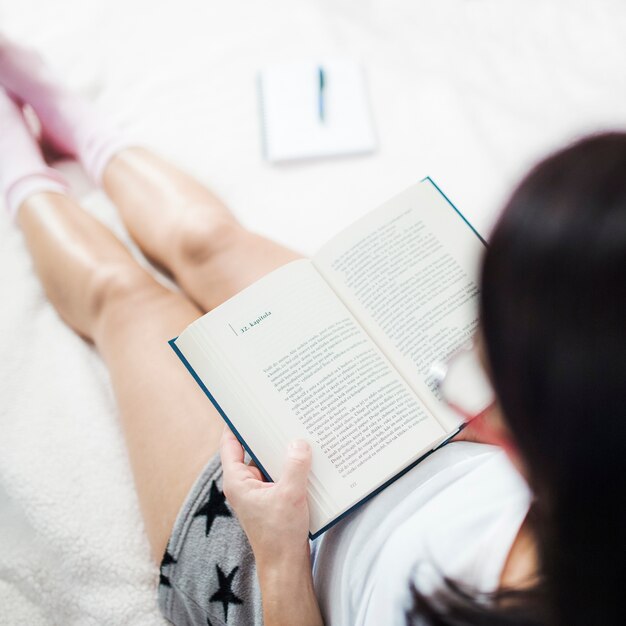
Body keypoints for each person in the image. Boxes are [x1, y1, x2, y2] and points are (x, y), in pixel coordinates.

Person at [0, 38, 623, 626]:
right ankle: (81, 128)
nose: (471, 385)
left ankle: (18, 173)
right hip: (418, 440)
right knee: (209, 243)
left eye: (488, 373)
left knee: (127, 302)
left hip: (285, 558)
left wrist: (276, 551)